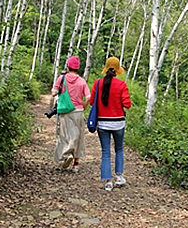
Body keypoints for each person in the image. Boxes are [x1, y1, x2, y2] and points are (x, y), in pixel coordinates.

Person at [91, 56, 131, 191]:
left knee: (105, 152)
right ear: (117, 70)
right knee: (119, 149)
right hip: (118, 123)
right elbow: (127, 104)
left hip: (102, 123)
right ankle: (119, 177)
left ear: (106, 68)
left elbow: (92, 102)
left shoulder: (97, 83)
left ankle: (108, 181)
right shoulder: (122, 85)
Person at [51, 55, 90, 172]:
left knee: (64, 135)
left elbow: (54, 93)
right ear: (78, 68)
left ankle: (67, 154)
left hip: (64, 111)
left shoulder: (61, 78)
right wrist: (83, 105)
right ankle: (76, 164)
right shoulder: (82, 81)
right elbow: (88, 97)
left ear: (68, 66)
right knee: (78, 136)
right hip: (78, 111)